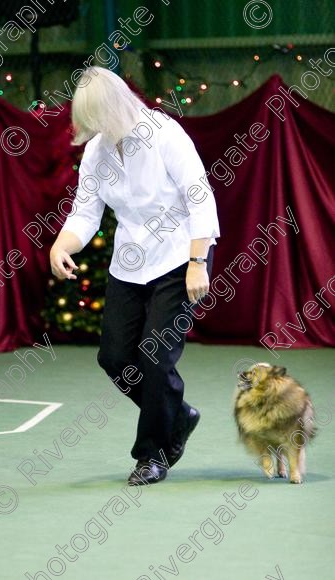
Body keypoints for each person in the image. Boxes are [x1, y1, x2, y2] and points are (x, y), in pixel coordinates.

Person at [50, 66, 220, 485]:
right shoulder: (97, 151)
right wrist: (60, 245)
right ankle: (177, 415)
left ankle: (152, 455)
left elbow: (201, 198)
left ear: (116, 106)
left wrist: (198, 263)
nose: (93, 129)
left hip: (181, 256)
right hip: (130, 263)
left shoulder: (165, 135)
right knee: (115, 357)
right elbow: (85, 212)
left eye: (97, 118)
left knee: (155, 355)